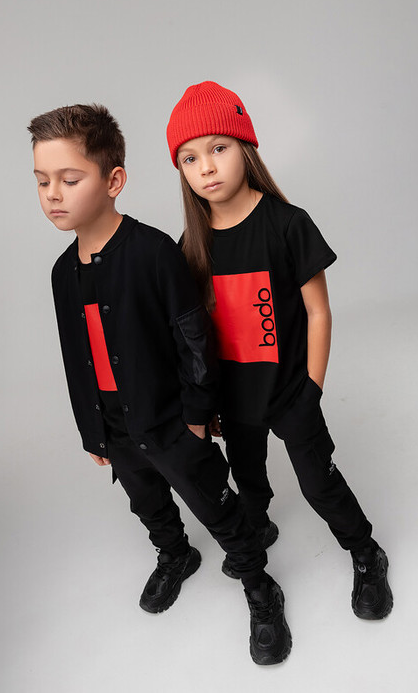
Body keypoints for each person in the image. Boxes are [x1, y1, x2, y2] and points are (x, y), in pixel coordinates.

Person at [27, 103, 291, 665]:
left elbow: (194, 340)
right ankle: (175, 554)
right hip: (115, 425)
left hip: (170, 420)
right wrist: (92, 430)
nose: (53, 194)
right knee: (145, 500)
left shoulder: (153, 252)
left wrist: (196, 414)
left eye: (69, 179)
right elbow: (76, 358)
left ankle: (259, 584)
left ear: (113, 180)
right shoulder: (61, 273)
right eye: (42, 181)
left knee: (215, 504)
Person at [166, 81, 393, 621]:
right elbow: (197, 337)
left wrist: (312, 387)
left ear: (245, 148)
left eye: (218, 148)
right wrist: (206, 402)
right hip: (235, 401)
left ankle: (365, 552)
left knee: (319, 483)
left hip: (291, 391)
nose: (206, 167)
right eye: (190, 158)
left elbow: (319, 311)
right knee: (248, 480)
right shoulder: (191, 246)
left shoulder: (288, 224)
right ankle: (259, 526)